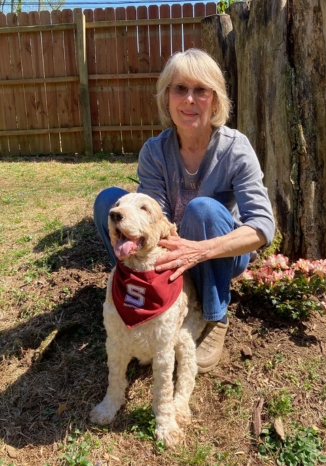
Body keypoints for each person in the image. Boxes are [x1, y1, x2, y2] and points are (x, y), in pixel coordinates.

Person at [94, 48, 275, 373]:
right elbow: (150, 222)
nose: (189, 99)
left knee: (202, 210)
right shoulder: (155, 151)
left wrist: (199, 251)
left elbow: (262, 226)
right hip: (168, 252)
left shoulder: (236, 148)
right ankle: (139, 291)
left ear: (216, 100)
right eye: (180, 89)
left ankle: (214, 315)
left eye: (201, 90)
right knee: (109, 202)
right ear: (167, 98)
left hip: (219, 254)